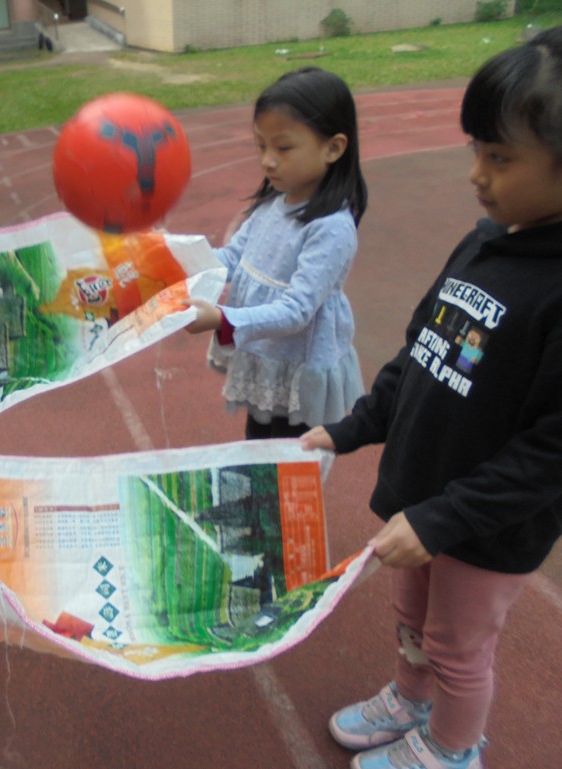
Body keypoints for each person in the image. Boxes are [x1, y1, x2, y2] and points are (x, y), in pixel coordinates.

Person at [302, 28, 562, 769]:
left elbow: (550, 454)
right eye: (476, 149)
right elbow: (421, 353)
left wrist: (444, 518)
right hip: (424, 497)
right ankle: (411, 701)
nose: (476, 174)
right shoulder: (483, 242)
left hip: (483, 526)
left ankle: (452, 748)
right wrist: (351, 428)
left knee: (458, 644)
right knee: (413, 619)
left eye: (500, 158)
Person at [184, 67, 367, 439]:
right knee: (259, 448)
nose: (268, 160)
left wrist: (223, 319)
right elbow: (232, 258)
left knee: (291, 459)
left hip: (299, 370)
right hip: (268, 357)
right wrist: (179, 262)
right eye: (261, 145)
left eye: (283, 148)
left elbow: (297, 310)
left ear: (333, 148)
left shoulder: (330, 227)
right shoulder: (273, 202)